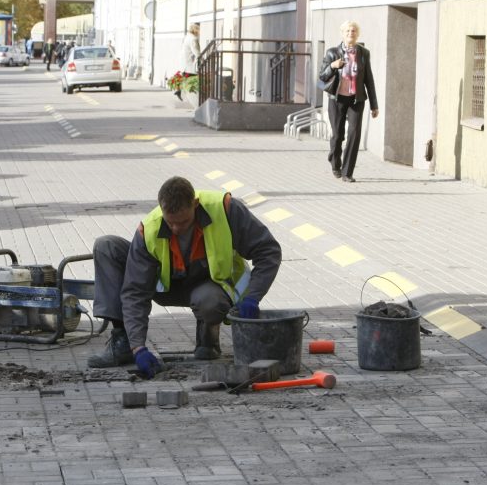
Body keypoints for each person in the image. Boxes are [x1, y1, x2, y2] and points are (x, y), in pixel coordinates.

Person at [88, 176, 282, 378]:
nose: (176, 229)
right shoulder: (149, 229)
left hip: (209, 285)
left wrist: (252, 297)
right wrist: (139, 348)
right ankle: (124, 342)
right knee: (107, 246)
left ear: (195, 205)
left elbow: (268, 251)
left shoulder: (224, 209)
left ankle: (208, 338)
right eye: (170, 223)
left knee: (209, 302)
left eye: (183, 222)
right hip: (167, 286)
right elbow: (134, 292)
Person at [318, 20, 379, 183]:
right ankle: (335, 161)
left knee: (354, 134)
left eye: (353, 31)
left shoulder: (364, 53)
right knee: (338, 135)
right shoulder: (332, 52)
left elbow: (369, 79)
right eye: (347, 31)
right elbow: (322, 76)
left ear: (357, 34)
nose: (350, 34)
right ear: (342, 34)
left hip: (356, 99)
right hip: (337, 99)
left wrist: (374, 104)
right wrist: (333, 65)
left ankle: (347, 172)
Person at [175, 23, 201, 100]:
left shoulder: (187, 37)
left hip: (184, 61)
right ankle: (193, 97)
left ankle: (179, 90)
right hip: (189, 61)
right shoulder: (193, 39)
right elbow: (196, 52)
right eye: (198, 29)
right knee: (193, 78)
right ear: (195, 30)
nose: (199, 31)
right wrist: (202, 58)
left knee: (185, 76)